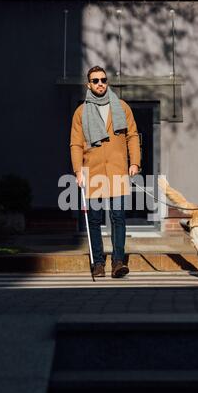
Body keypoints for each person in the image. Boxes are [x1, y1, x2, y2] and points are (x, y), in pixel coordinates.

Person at [70, 66, 141, 278]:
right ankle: (98, 263)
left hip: (118, 169)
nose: (100, 83)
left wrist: (135, 162)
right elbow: (75, 144)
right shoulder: (81, 112)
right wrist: (78, 171)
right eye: (95, 80)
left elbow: (133, 135)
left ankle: (118, 261)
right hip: (93, 171)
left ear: (107, 82)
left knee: (118, 216)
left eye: (103, 80)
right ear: (88, 84)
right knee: (94, 219)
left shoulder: (122, 107)